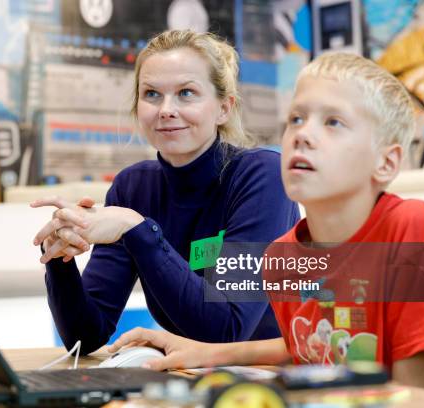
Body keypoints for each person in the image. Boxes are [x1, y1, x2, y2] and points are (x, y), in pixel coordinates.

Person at [108, 52, 424, 390]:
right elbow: (312, 345)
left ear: (386, 162)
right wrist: (206, 353)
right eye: (296, 119)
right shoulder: (280, 256)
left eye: (333, 122)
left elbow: (417, 395)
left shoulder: (410, 227)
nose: (302, 135)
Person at [31, 29, 299, 355]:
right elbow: (85, 336)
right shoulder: (133, 188)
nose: (166, 110)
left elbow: (227, 328)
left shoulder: (263, 176)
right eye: (152, 94)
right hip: (192, 377)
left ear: (224, 108)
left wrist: (139, 230)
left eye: (186, 93)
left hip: (281, 380)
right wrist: (59, 257)